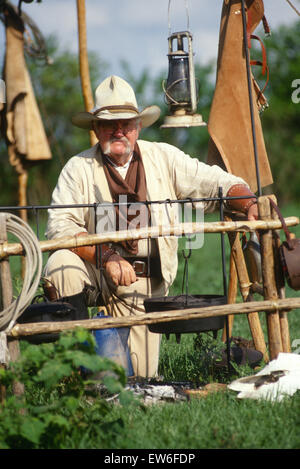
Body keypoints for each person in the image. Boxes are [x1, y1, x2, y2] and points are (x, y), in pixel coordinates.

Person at [43, 75, 258, 378]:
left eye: (127, 123)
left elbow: (217, 182)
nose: (119, 130)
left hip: (146, 286)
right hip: (96, 274)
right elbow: (59, 229)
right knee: (60, 263)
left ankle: (112, 372)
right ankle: (78, 370)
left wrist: (250, 203)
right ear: (95, 129)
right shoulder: (78, 168)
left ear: (138, 126)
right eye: (109, 124)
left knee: (139, 379)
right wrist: (106, 257)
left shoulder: (163, 158)